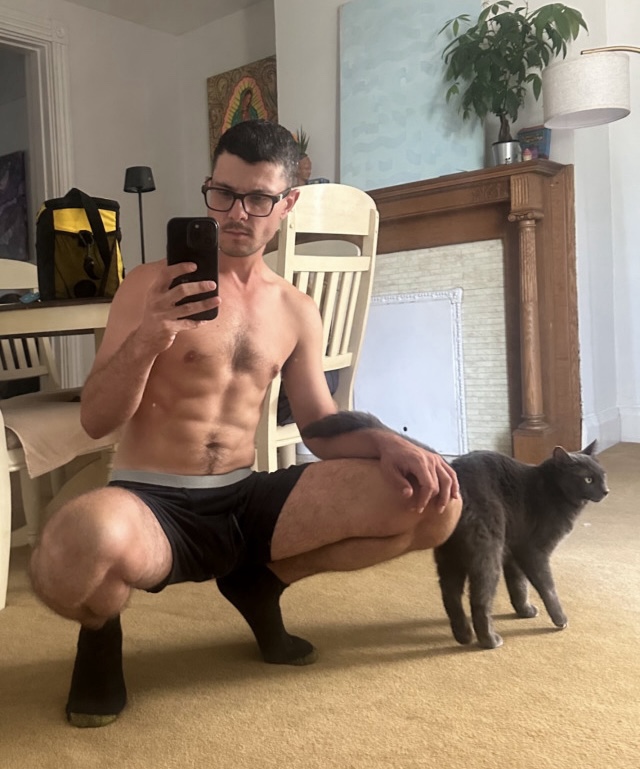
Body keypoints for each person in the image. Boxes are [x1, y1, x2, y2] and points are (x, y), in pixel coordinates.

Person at [29, 119, 462, 729]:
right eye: (223, 193)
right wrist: (149, 337)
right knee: (73, 547)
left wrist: (391, 442)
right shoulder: (148, 285)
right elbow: (97, 420)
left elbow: (319, 424)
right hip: (152, 503)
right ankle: (101, 633)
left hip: (244, 498)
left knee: (436, 503)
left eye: (258, 198)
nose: (236, 213)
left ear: (287, 203)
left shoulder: (296, 308)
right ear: (208, 188)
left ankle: (259, 582)